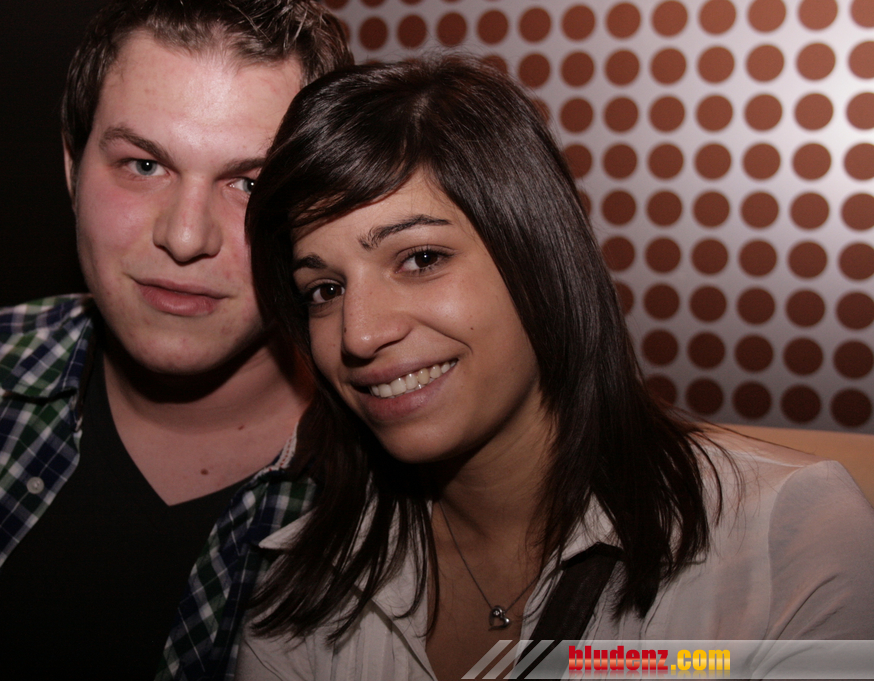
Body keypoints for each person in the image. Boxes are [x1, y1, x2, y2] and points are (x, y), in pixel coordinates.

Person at [236, 56, 874, 680]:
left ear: (538, 256)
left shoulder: (786, 537)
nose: (360, 333)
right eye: (324, 290)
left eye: (421, 258)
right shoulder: (302, 595)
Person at [0, 1, 350, 679]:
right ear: (72, 167)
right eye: (143, 165)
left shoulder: (396, 481)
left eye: (251, 183)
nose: (184, 236)